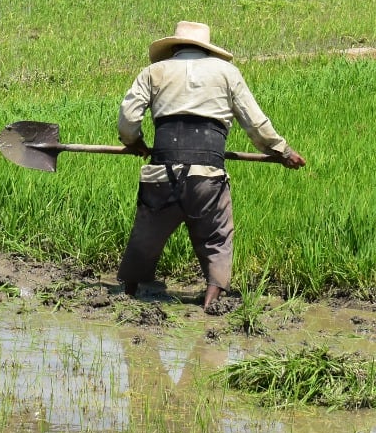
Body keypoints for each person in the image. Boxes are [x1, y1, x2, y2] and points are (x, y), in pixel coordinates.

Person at [117, 21, 305, 314]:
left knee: (147, 232)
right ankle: (211, 300)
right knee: (217, 236)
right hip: (208, 175)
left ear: (174, 46)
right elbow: (254, 122)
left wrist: (135, 142)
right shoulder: (227, 73)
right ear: (205, 47)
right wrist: (283, 150)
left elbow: (128, 118)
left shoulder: (154, 72)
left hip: (162, 173)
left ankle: (128, 292)